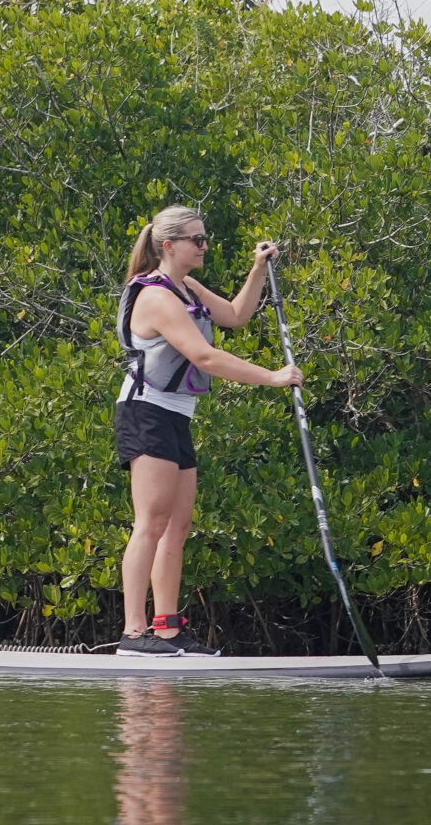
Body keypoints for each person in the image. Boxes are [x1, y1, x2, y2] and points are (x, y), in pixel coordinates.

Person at [114, 205, 301, 657]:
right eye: (196, 240)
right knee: (151, 523)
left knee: (178, 526)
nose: (204, 246)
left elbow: (236, 315)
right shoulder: (157, 296)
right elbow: (206, 358)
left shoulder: (188, 287)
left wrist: (258, 269)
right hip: (146, 411)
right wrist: (274, 376)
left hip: (177, 415)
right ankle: (133, 633)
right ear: (169, 245)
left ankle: (167, 630)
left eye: (205, 238)